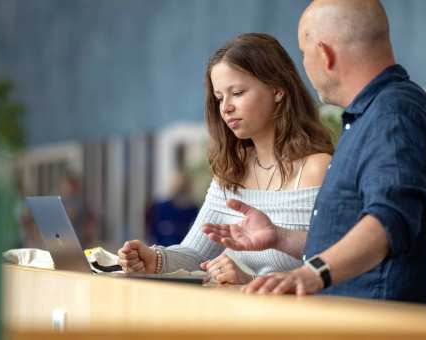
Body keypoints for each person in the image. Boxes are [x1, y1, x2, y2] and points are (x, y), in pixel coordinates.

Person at [203, 0, 426, 305]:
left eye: (303, 53)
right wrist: (279, 237)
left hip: (379, 324)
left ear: (324, 54)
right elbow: (351, 233)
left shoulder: (392, 114)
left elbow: (388, 222)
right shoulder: (373, 116)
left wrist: (312, 274)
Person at [118, 32, 334, 284]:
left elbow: (334, 264)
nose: (226, 107)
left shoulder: (317, 168)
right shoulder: (232, 171)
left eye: (238, 92)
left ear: (277, 90)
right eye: (220, 98)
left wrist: (250, 279)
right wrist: (154, 258)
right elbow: (195, 254)